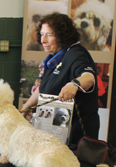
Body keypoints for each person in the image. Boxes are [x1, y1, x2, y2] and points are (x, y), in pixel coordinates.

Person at [21, 13, 99, 145]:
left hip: (76, 138)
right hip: (52, 134)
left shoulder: (77, 54)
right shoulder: (55, 57)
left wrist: (74, 84)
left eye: (49, 35)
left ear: (63, 36)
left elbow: (89, 78)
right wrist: (24, 108)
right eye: (42, 34)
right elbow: (43, 88)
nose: (43, 40)